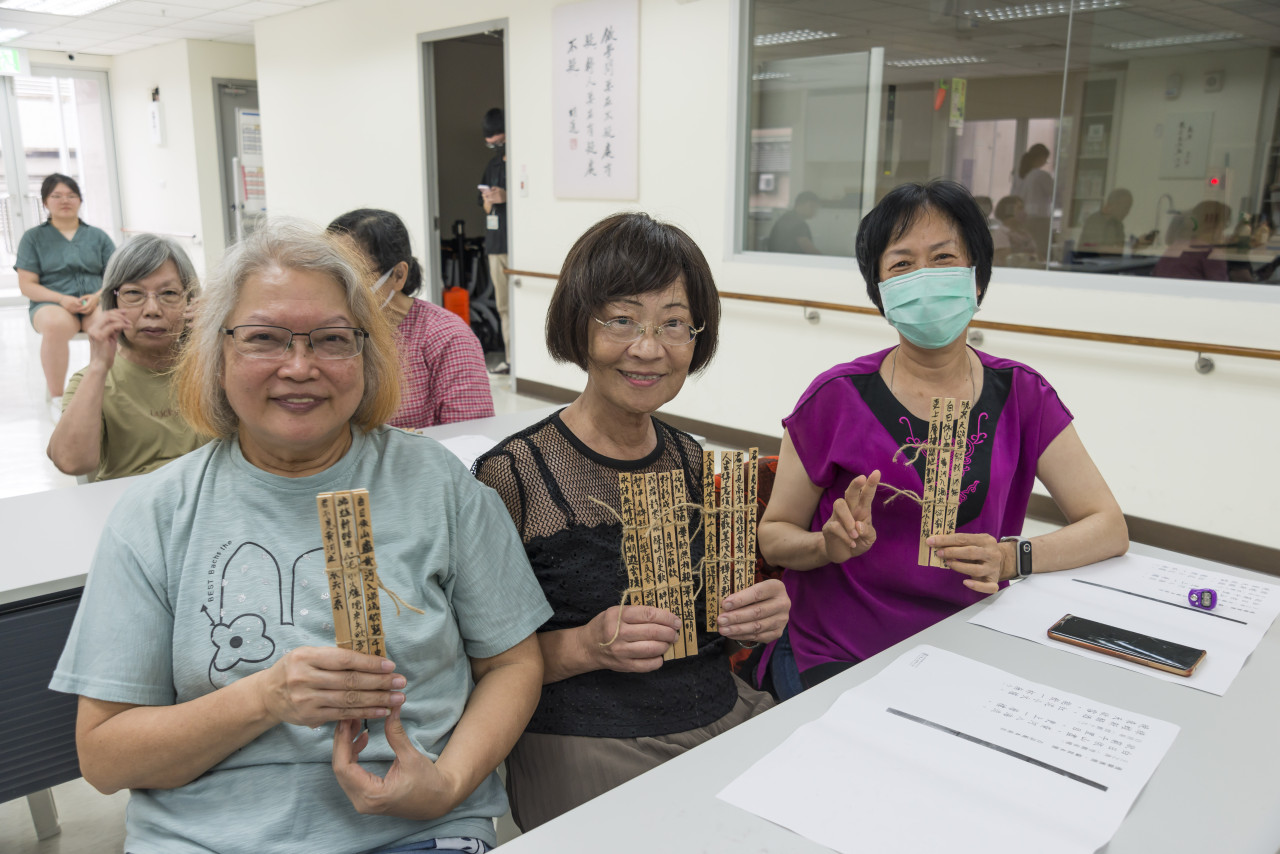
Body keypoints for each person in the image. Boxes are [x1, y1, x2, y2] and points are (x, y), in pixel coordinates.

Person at [50, 219, 551, 854]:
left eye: (332, 340)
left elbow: (512, 661)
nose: (299, 366)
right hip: (205, 837)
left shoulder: (435, 482)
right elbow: (104, 757)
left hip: (417, 827)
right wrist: (265, 698)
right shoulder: (156, 511)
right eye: (263, 338)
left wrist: (448, 783)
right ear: (216, 352)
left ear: (366, 354)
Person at [473, 212, 789, 831]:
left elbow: (719, 625)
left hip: (721, 711)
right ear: (579, 324)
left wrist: (755, 619)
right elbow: (471, 662)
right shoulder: (511, 476)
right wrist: (585, 645)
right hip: (587, 735)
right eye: (622, 319)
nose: (649, 347)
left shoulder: (695, 461)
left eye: (673, 323)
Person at [756, 180, 1128, 698]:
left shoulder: (1022, 393)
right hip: (840, 648)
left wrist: (1011, 558)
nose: (925, 278)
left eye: (944, 258)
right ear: (880, 293)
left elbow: (1107, 526)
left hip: (969, 639)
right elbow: (773, 534)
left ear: (976, 281)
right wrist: (826, 546)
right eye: (903, 264)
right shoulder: (836, 398)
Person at [46, 235, 206, 482]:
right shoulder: (92, 381)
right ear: (113, 301)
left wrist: (217, 345)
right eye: (134, 293)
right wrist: (98, 367)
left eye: (169, 293)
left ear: (191, 300)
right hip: (134, 506)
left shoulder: (211, 369)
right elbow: (70, 461)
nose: (152, 309)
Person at [328, 208, 494, 428]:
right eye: (330, 274)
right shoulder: (324, 332)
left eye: (352, 276)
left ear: (398, 275)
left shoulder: (447, 338)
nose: (337, 287)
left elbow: (468, 438)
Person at [15, 173, 116, 422]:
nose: (65, 201)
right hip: (51, 303)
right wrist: (61, 300)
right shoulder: (33, 238)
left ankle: (104, 391)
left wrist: (97, 296)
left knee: (108, 322)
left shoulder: (98, 237)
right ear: (45, 203)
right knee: (56, 325)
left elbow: (117, 275)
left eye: (71, 195)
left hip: (95, 300)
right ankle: (59, 397)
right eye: (57, 196)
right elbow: (27, 285)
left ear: (80, 200)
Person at [479, 107, 510, 373]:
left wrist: (507, 197)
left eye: (499, 142)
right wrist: (490, 200)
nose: (496, 148)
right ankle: (511, 359)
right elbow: (481, 201)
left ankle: (522, 364)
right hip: (495, 242)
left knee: (517, 303)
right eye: (491, 144)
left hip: (517, 245)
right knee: (503, 305)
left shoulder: (522, 159)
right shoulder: (493, 165)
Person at [1152, 200, 1230, 282]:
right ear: (1221, 225)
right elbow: (1220, 289)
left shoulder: (1176, 246)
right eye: (1226, 224)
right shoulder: (1211, 254)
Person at [1010, 144, 1053, 259]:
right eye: (1046, 159)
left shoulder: (1021, 174)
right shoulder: (1040, 175)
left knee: (1028, 253)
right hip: (1039, 219)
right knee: (1040, 252)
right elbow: (1054, 193)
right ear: (1041, 157)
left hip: (1024, 218)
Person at [991, 195, 1038, 267]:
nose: (1025, 213)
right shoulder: (1001, 233)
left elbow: (1037, 257)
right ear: (1008, 211)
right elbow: (1006, 261)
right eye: (1020, 209)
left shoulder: (1025, 234)